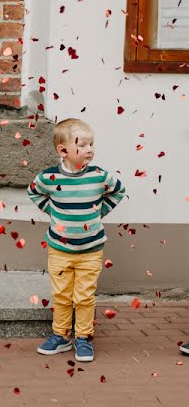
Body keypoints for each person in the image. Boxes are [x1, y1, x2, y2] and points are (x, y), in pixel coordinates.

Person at [28, 118, 126, 363]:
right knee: (61, 295)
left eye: (91, 144)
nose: (90, 149)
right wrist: (52, 211)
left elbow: (119, 190)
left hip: (91, 249)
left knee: (84, 296)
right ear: (63, 151)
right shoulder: (49, 178)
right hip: (59, 249)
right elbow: (33, 191)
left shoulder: (99, 176)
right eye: (82, 145)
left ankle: (83, 337)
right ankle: (61, 336)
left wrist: (99, 213)